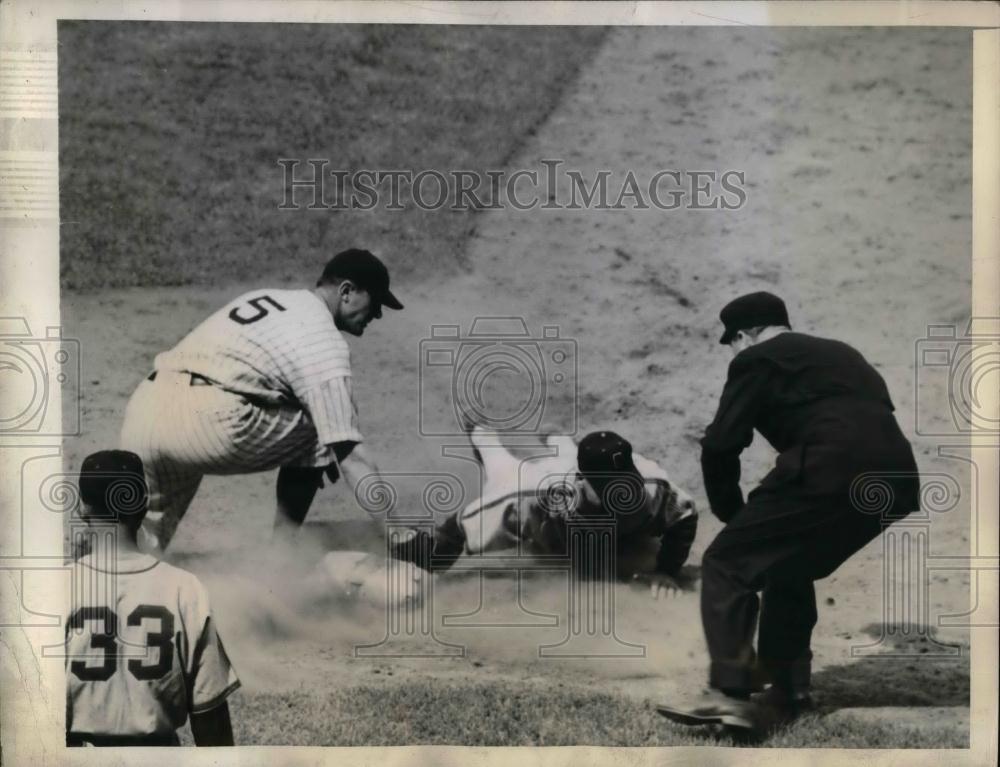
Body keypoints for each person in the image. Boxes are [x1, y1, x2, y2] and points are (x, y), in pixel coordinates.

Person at [656, 291, 920, 733]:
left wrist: (731, 511)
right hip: (895, 480)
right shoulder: (844, 354)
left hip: (829, 464)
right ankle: (788, 689)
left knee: (726, 563)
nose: (735, 350)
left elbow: (721, 443)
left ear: (743, 336)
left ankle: (730, 695)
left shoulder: (755, 359)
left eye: (733, 342)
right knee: (786, 563)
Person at [119, 248, 403, 554]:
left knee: (142, 546)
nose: (378, 314)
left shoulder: (267, 297)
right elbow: (350, 452)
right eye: (375, 301)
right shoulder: (323, 340)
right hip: (205, 424)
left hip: (145, 410)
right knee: (323, 430)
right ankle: (280, 558)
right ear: (347, 291)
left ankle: (98, 579)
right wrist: (397, 532)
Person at [391, 426, 699, 594]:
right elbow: (462, 524)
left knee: (571, 455)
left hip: (578, 476)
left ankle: (559, 438)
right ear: (583, 483)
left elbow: (685, 517)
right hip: (543, 482)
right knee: (501, 466)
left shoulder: (653, 487)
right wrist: (432, 559)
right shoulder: (539, 496)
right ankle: (483, 433)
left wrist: (665, 571)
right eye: (609, 490)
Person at [65, 450, 240, 746]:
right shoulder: (186, 589)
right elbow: (211, 721)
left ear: (83, 508)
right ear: (143, 507)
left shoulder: (55, 588)